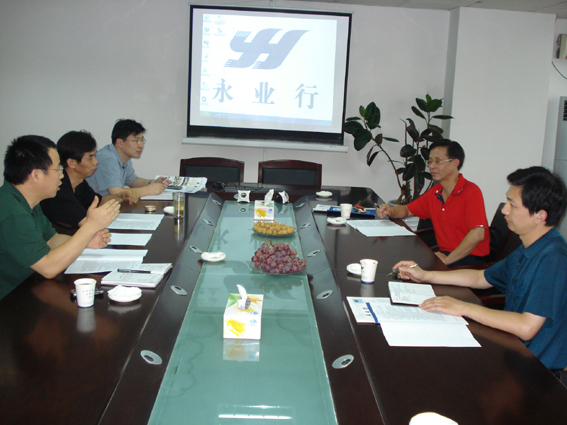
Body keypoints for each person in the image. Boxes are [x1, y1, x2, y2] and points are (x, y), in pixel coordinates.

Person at [393, 166, 567, 372]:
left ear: (540, 215)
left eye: (512, 205)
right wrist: (426, 275)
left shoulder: (553, 258)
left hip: (535, 370)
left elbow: (527, 327)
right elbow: (480, 278)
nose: (505, 210)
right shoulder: (530, 249)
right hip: (511, 349)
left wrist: (464, 308)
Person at [0, 135, 120, 300]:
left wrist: (86, 241)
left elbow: (51, 239)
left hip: (30, 287)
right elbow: (48, 268)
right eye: (58, 169)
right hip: (10, 300)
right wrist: (90, 227)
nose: (62, 175)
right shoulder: (11, 212)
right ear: (36, 175)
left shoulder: (26, 201)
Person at [377, 140, 490, 267]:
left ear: (455, 163)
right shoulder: (436, 192)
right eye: (430, 161)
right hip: (444, 255)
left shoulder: (471, 191)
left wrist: (447, 260)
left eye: (438, 161)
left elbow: (477, 234)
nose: (431, 166)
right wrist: (390, 211)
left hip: (469, 260)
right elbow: (407, 210)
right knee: (396, 262)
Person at [40, 130, 136, 230]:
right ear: (72, 163)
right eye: (90, 157)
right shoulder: (60, 190)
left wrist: (121, 196)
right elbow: (88, 225)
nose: (96, 162)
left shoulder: (79, 183)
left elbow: (98, 201)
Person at [86, 119, 171, 198]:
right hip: (93, 206)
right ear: (120, 143)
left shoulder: (124, 156)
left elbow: (132, 181)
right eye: (136, 141)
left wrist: (152, 182)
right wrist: (148, 190)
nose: (141, 145)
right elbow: (115, 192)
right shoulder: (107, 158)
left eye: (142, 140)